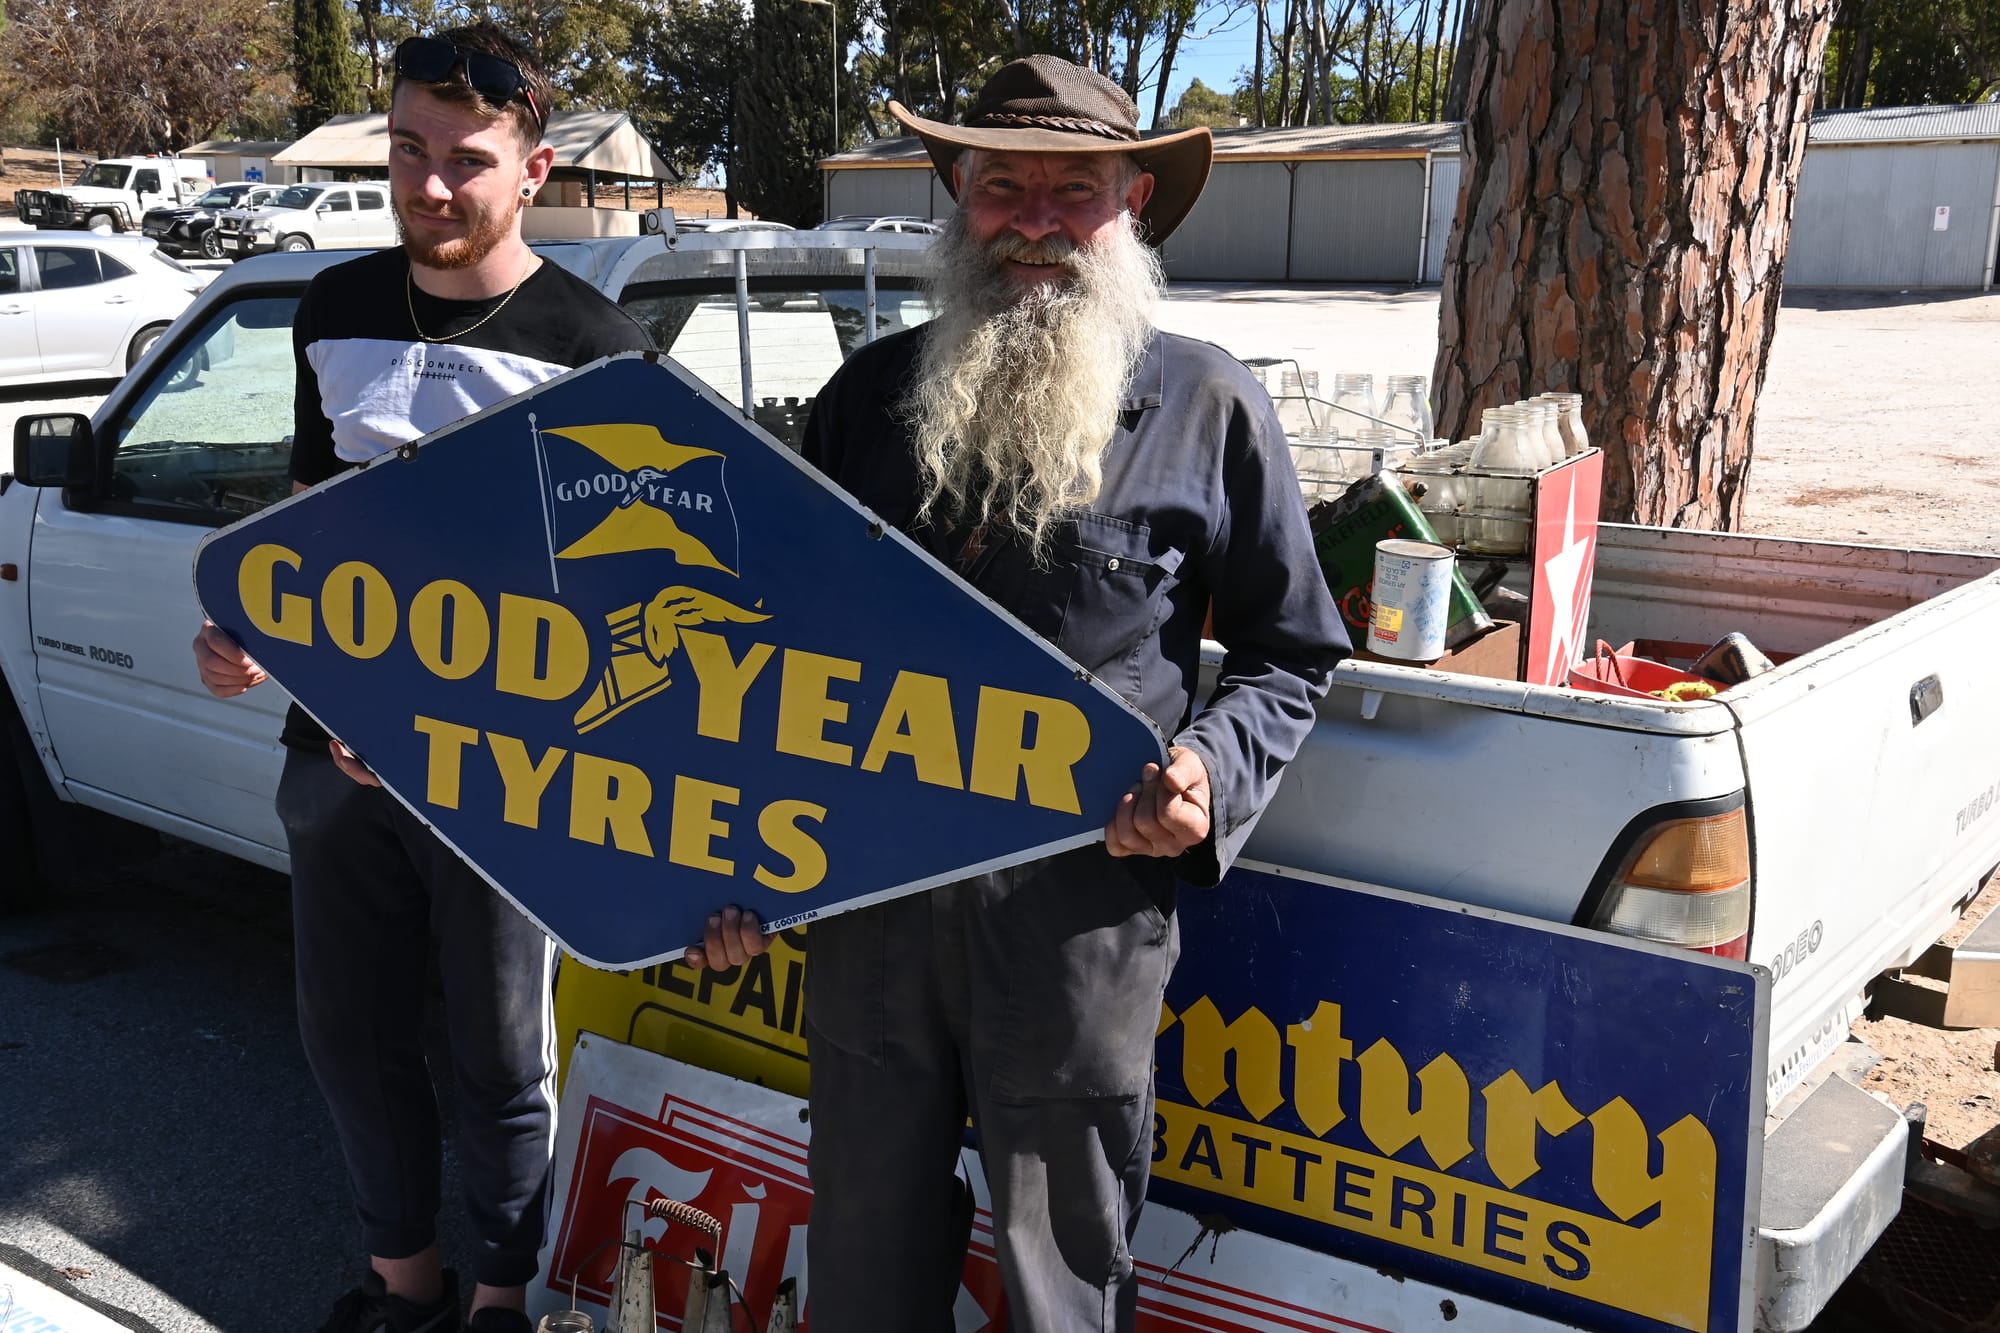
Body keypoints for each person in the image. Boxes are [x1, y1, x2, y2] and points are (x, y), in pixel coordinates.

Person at [687, 54, 1349, 1332]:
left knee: (1061, 1280)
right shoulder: (865, 399)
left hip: (1077, 916)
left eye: (1073, 191)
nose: (1034, 222)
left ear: (1130, 205)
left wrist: (1207, 773)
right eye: (1002, 187)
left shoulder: (1207, 403)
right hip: (868, 904)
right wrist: (727, 865)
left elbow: (1290, 653)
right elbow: (766, 653)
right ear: (956, 196)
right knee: (864, 1263)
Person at [191, 23, 653, 1333]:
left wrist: (444, 716)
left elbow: (618, 614)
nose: (431, 185)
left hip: (504, 781)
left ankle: (502, 1299)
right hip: (329, 758)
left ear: (534, 169)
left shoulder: (598, 349)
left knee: (497, 1058)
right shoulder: (331, 309)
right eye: (408, 151)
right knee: (348, 1036)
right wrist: (247, 632)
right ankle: (404, 1290)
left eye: (467, 159)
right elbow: (304, 526)